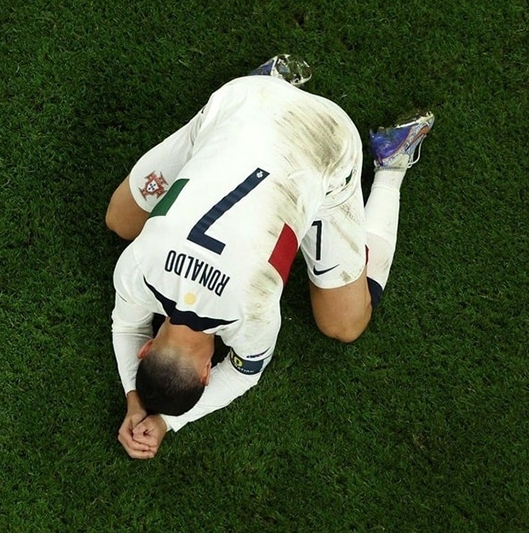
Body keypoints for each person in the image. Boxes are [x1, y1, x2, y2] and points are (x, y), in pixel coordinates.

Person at [105, 55, 434, 459]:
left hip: (326, 141)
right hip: (242, 102)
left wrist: (164, 419)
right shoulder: (138, 267)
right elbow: (126, 325)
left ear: (207, 372)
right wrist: (140, 402)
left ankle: (391, 168)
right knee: (122, 222)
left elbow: (243, 375)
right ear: (147, 349)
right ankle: (270, 84)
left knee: (345, 325)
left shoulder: (252, 317)